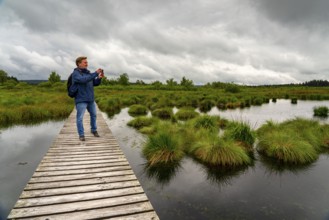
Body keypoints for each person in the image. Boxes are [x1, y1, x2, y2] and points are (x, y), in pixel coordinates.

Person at [72, 56, 104, 141]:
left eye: (87, 62)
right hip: (81, 99)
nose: (87, 63)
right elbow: (83, 80)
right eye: (85, 62)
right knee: (80, 118)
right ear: (79, 64)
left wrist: (99, 78)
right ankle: (81, 135)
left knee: (94, 115)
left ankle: (94, 130)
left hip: (90, 99)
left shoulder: (88, 73)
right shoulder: (75, 74)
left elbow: (94, 83)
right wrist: (95, 73)